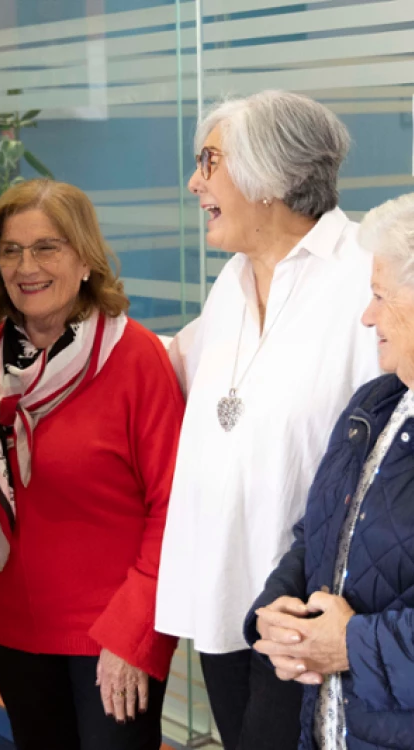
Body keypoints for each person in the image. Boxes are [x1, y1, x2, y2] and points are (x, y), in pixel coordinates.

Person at [154, 90, 380, 750]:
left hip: (311, 611)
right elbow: (171, 365)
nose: (196, 181)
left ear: (270, 172)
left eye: (210, 161)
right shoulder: (230, 281)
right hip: (226, 591)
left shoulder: (367, 274)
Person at [0, 178, 184, 750]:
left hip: (109, 629)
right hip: (9, 621)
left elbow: (174, 507)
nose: (25, 265)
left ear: (84, 258)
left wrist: (134, 633)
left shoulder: (135, 358)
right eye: (10, 250)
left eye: (46, 247)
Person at [245, 192, 414, 749]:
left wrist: (348, 644)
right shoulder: (376, 403)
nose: (367, 316)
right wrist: (276, 610)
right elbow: (318, 532)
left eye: (379, 296)